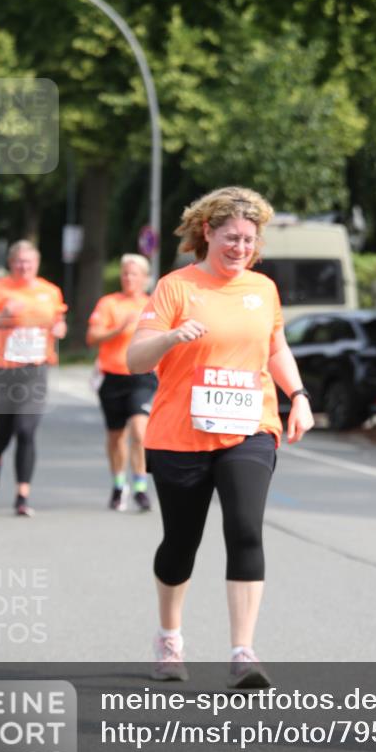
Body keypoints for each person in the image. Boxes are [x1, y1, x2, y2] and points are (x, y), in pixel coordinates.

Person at [127, 186, 314, 686]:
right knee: (180, 543)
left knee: (246, 528)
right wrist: (170, 336)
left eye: (249, 240)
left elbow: (275, 347)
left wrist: (297, 395)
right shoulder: (175, 286)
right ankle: (169, 638)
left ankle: (243, 652)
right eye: (231, 237)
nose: (240, 248)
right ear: (207, 232)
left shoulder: (263, 289)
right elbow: (136, 358)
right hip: (179, 433)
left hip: (249, 428)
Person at [0, 240, 67, 517]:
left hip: (34, 369)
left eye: (29, 262)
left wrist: (60, 327)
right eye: (19, 262)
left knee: (26, 431)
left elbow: (58, 320)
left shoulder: (49, 291)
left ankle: (22, 495)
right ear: (11, 264)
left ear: (36, 264)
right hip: (1, 369)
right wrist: (2, 315)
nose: (24, 266)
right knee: (3, 432)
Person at [86, 254, 157, 512]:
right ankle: (119, 485)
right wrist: (118, 329)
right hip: (112, 376)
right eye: (125, 273)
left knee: (140, 431)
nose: (129, 278)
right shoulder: (109, 303)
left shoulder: (153, 304)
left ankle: (140, 486)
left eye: (134, 274)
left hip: (143, 376)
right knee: (116, 437)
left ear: (145, 278)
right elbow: (92, 337)